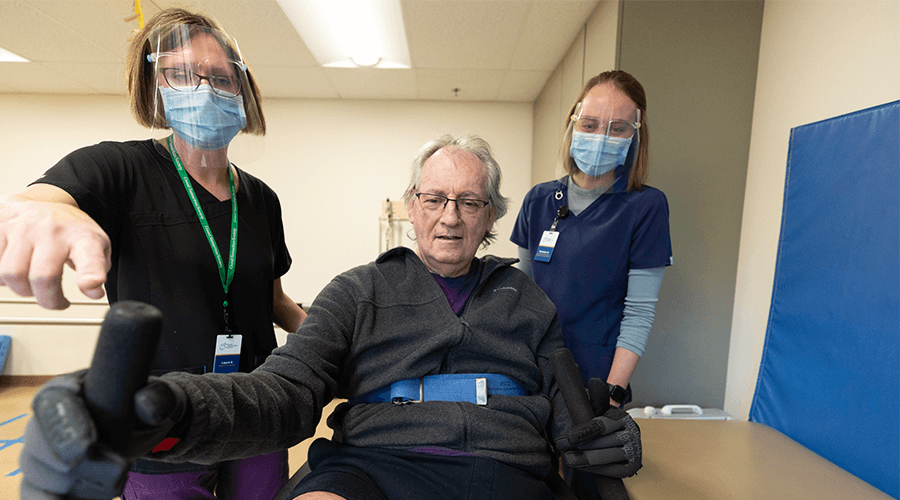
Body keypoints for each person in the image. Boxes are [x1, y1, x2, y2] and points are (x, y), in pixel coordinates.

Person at [19, 133, 642, 500]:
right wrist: (168, 410)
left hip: (507, 470)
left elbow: (573, 419)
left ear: (491, 216)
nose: (449, 216)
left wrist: (610, 437)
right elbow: (283, 390)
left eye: (469, 201)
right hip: (374, 465)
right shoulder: (358, 292)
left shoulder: (528, 300)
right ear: (411, 206)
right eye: (434, 198)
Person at [1, 8, 305, 499]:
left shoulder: (262, 199)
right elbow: (42, 201)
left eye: (220, 78)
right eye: (182, 74)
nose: (203, 88)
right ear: (154, 87)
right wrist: (34, 210)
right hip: (162, 412)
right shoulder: (118, 169)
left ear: (242, 91)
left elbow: (274, 300)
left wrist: (335, 337)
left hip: (254, 407)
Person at [510, 70, 671, 499]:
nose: (602, 136)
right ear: (572, 123)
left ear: (635, 135)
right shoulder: (539, 200)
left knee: (590, 484)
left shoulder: (645, 207)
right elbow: (519, 296)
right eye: (591, 124)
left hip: (598, 380)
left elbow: (639, 311)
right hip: (534, 371)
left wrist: (613, 395)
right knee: (528, 478)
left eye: (618, 128)